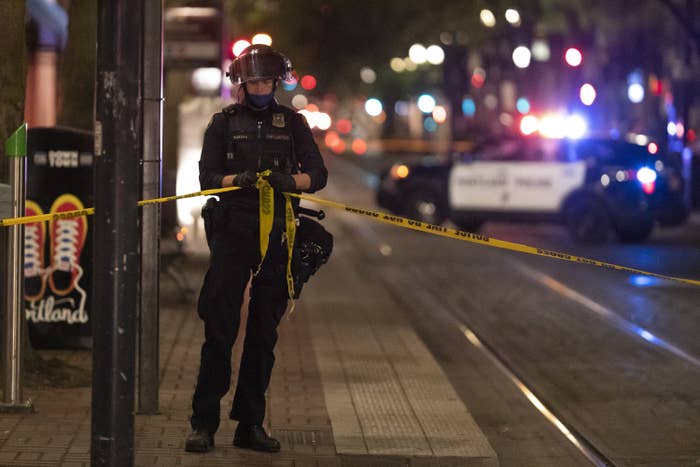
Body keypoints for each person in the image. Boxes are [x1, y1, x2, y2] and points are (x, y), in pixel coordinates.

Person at [185, 44, 328, 453]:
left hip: (279, 234)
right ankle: (203, 423)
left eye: (267, 80)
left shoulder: (295, 123)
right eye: (254, 81)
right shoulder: (223, 124)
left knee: (263, 333)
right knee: (220, 328)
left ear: (276, 82)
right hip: (233, 233)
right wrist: (237, 180)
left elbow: (318, 174)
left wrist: (292, 183)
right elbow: (207, 177)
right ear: (241, 85)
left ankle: (250, 424)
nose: (261, 87)